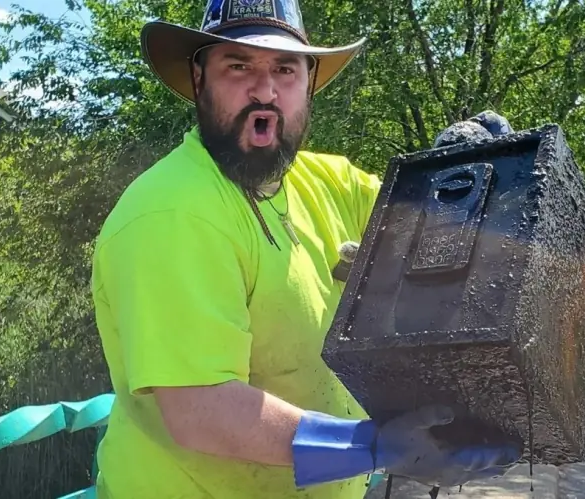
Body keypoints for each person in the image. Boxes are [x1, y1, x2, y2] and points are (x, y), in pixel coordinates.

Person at [89, 1, 520, 498]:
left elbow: (426, 236)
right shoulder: (172, 212)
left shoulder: (328, 180)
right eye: (238, 66)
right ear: (199, 78)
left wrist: (466, 174)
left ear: (309, 82)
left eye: (285, 69)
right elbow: (199, 410)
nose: (265, 91)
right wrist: (373, 446)